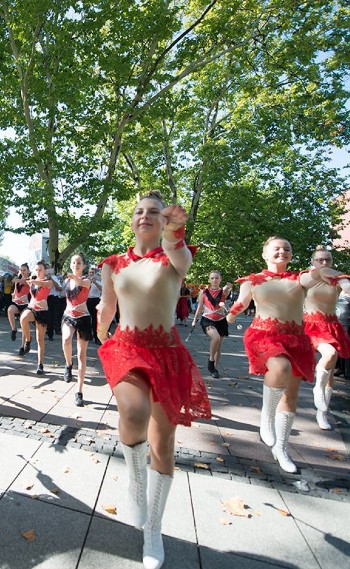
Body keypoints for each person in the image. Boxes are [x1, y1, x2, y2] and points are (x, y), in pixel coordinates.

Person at [96, 192, 210, 569]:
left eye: (155, 213)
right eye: (139, 211)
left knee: (163, 445)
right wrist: (99, 330)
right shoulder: (113, 263)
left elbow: (180, 255)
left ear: (164, 223)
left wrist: (176, 231)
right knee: (132, 410)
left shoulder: (175, 257)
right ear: (131, 221)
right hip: (127, 346)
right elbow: (108, 306)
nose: (145, 216)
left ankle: (153, 529)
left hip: (166, 352)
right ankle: (135, 482)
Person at [227, 236, 319, 474]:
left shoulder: (299, 278)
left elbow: (315, 276)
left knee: (290, 396)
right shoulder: (252, 280)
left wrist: (324, 269)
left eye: (287, 249)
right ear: (265, 254)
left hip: (296, 339)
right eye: (276, 248)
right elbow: (241, 302)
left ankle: (282, 448)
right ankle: (266, 419)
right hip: (263, 335)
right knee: (280, 368)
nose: (282, 252)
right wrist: (229, 316)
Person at [304, 246, 350, 430]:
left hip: (331, 325)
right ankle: (314, 388)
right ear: (313, 262)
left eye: (328, 260)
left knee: (331, 370)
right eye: (320, 260)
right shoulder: (307, 277)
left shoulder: (338, 279)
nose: (324, 263)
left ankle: (322, 412)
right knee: (329, 354)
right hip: (309, 325)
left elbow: (349, 286)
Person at [61, 254, 92, 407]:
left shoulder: (86, 281)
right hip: (68, 316)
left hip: (83, 318)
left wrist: (74, 277)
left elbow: (79, 281)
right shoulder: (67, 281)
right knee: (66, 339)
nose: (76, 264)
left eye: (79, 262)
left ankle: (79, 391)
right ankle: (68, 365)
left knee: (81, 354)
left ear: (83, 266)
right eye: (73, 262)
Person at [191, 271, 233, 378]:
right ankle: (211, 360)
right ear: (209, 280)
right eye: (212, 278)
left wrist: (228, 287)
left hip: (221, 321)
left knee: (218, 348)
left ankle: (214, 368)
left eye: (217, 278)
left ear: (220, 279)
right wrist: (194, 319)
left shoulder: (223, 291)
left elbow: (226, 290)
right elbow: (200, 307)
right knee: (216, 338)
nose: (214, 280)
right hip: (208, 319)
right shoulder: (203, 292)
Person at [20, 261, 53, 374]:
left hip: (42, 312)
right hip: (31, 308)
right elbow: (21, 280)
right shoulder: (32, 281)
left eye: (40, 270)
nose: (38, 272)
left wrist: (32, 281)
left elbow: (43, 285)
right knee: (23, 319)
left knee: (40, 339)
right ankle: (28, 340)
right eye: (37, 270)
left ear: (45, 271)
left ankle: (40, 364)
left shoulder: (48, 282)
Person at [7, 263, 31, 343]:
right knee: (10, 310)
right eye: (21, 270)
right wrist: (13, 295)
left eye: (24, 270)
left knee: (23, 324)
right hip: (17, 303)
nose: (22, 272)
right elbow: (15, 292)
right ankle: (14, 329)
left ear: (28, 271)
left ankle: (23, 345)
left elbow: (25, 282)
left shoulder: (30, 280)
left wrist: (16, 280)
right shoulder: (18, 280)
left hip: (26, 304)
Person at [86, 265, 103, 344]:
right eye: (90, 272)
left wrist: (95, 282)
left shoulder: (98, 281)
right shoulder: (86, 281)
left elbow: (101, 289)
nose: (91, 274)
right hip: (87, 300)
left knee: (95, 320)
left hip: (96, 300)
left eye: (92, 273)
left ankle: (96, 338)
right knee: (88, 319)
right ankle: (89, 336)